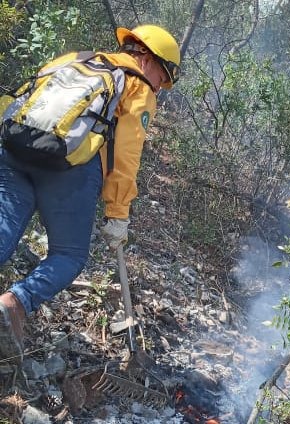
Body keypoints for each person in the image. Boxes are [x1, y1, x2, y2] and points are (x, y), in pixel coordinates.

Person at [0, 24, 180, 364]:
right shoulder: (138, 85)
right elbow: (126, 155)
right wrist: (118, 212)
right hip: (69, 169)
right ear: (150, 60)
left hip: (16, 148)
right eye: (164, 77)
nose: (161, 86)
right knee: (69, 255)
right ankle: (14, 304)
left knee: (3, 231)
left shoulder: (76, 59)